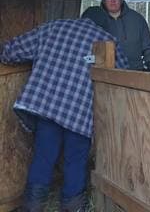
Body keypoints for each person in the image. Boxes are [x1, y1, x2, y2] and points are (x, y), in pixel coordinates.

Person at [0, 17, 128, 212]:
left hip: (48, 106)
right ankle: (71, 206)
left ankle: (32, 206)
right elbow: (123, 75)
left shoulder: (53, 27)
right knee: (75, 160)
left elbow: (12, 50)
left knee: (43, 155)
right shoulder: (106, 39)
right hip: (79, 111)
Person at [82, 0, 150, 71]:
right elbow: (86, 45)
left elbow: (148, 45)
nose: (113, 1)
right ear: (104, 1)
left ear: (121, 0)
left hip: (135, 70)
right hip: (107, 72)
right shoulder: (96, 19)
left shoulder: (137, 19)